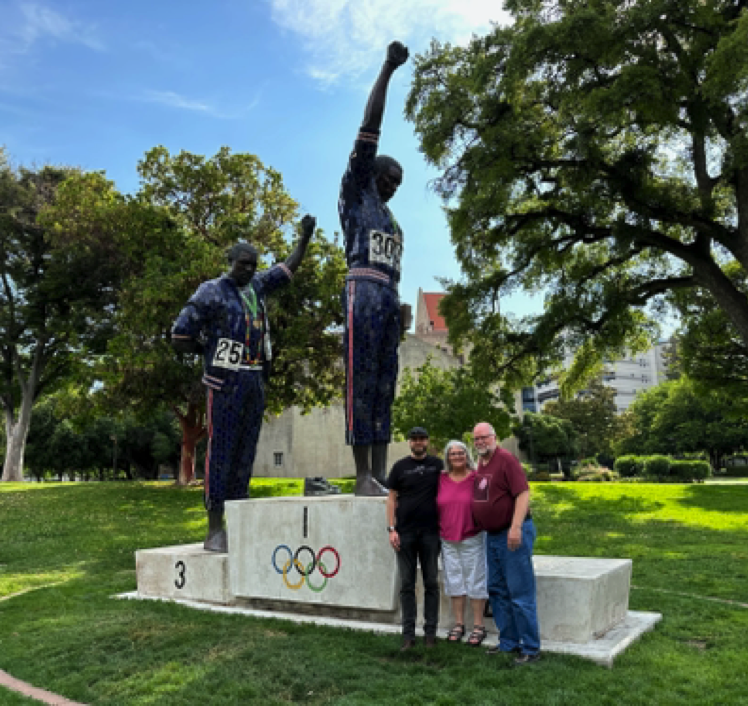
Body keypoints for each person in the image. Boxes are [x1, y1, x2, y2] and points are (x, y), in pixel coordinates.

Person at [170, 216, 315, 552]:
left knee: (245, 455)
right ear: (230, 263)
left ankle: (239, 523)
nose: (249, 270)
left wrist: (305, 237)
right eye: (243, 264)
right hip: (224, 383)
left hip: (254, 380)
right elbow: (179, 335)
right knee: (221, 453)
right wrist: (206, 347)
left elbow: (288, 268)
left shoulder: (258, 288)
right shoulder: (211, 291)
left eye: (253, 265)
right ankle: (214, 528)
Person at [339, 40, 413, 496]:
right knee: (361, 379)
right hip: (362, 291)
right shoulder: (356, 191)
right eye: (387, 177)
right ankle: (362, 473)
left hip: (388, 297)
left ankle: (381, 474)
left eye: (398, 184)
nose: (391, 186)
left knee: (386, 383)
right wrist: (387, 69)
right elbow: (371, 125)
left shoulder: (392, 220)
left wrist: (401, 306)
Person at [471, 422, 541, 665]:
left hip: (511, 534)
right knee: (497, 589)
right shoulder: (481, 463)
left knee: (520, 591)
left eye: (484, 437)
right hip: (492, 536)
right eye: (476, 439)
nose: (480, 442)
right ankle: (509, 642)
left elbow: (522, 493)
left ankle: (531, 648)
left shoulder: (506, 460)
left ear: (495, 437)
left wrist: (516, 527)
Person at [385, 426, 444, 650]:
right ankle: (408, 635)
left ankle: (430, 634)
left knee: (431, 583)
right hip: (405, 533)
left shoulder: (437, 465)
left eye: (422, 439)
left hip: (431, 533)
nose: (418, 442)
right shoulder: (400, 467)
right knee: (407, 585)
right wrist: (391, 528)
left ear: (427, 441)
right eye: (414, 439)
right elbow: (391, 499)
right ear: (409, 442)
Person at [438, 440, 489, 646]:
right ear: (447, 458)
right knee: (454, 581)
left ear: (467, 456)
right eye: (453, 454)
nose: (457, 456)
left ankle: (479, 626)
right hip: (447, 538)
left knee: (476, 580)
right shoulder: (440, 479)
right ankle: (459, 624)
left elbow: (487, 504)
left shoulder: (478, 478)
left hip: (472, 537)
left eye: (461, 453)